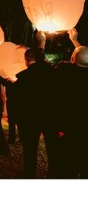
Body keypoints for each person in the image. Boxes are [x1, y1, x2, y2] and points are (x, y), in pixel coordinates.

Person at [10, 31, 60, 178]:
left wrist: (19, 121)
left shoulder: (22, 78)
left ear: (26, 61)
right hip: (50, 117)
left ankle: (30, 174)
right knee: (52, 149)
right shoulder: (51, 73)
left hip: (30, 120)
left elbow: (17, 103)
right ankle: (54, 175)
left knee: (30, 149)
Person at [51, 28, 88, 178]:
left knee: (67, 170)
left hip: (69, 131)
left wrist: (41, 45)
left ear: (72, 59)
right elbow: (83, 57)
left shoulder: (64, 71)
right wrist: (75, 41)